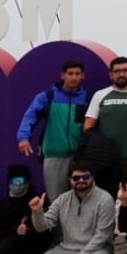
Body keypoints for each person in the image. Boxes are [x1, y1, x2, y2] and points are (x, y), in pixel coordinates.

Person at [84, 56, 127, 200]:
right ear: (111, 75)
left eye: (125, 70)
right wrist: (93, 152)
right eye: (117, 71)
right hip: (105, 159)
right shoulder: (100, 95)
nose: (121, 74)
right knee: (104, 199)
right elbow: (88, 126)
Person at [16, 60, 90, 197]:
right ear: (63, 75)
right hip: (54, 155)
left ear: (82, 76)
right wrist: (23, 138)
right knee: (57, 199)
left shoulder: (87, 99)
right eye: (70, 73)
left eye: (77, 73)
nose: (74, 77)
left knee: (82, 199)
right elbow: (30, 116)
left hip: (80, 158)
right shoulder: (47, 97)